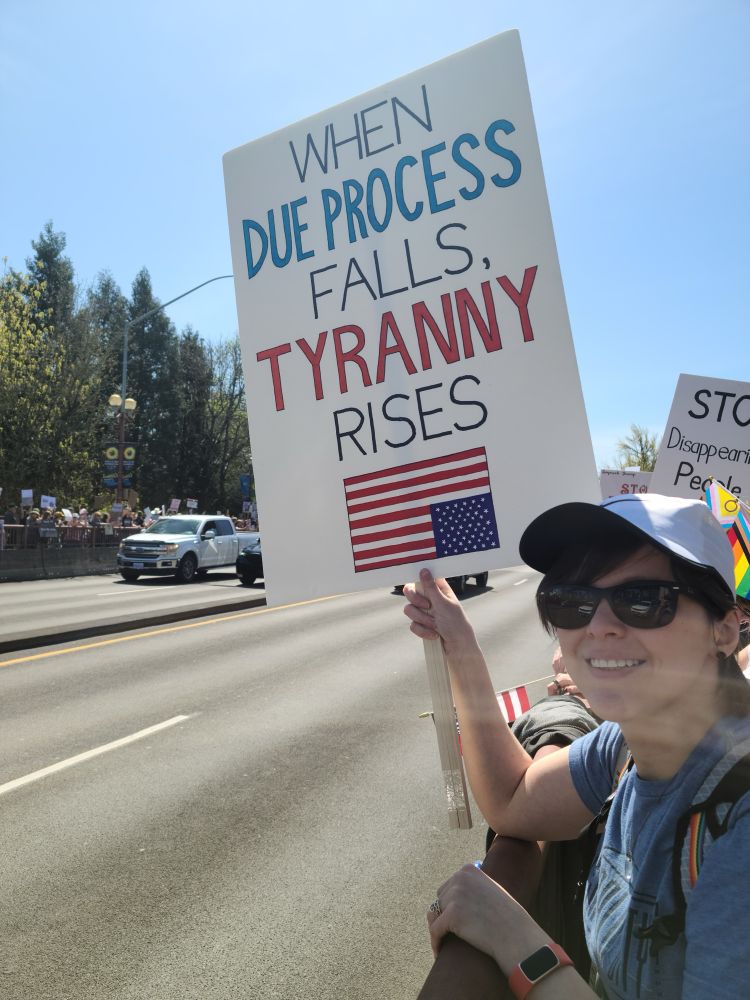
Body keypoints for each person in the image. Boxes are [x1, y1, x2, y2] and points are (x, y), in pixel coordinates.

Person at [404, 493, 750, 999]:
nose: (599, 626)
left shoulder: (738, 821)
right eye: (571, 601)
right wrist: (460, 644)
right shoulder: (625, 742)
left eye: (644, 599)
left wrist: (514, 938)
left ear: (724, 630)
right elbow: (514, 802)